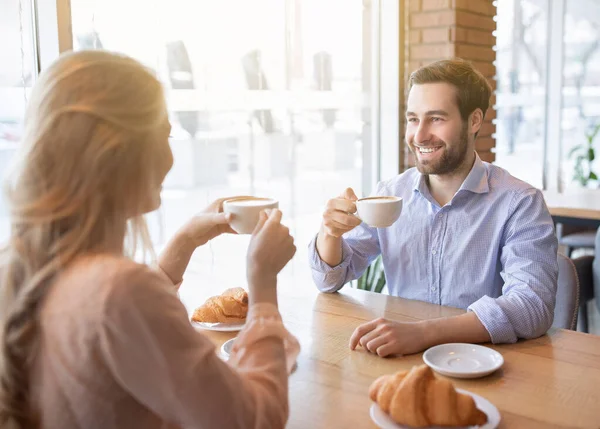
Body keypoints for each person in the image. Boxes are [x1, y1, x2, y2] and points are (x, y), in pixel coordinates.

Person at [0, 50, 299, 429]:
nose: (171, 157)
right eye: (164, 134)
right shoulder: (120, 291)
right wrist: (263, 289)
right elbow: (254, 420)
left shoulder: (22, 266)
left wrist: (184, 243)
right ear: (116, 152)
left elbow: (115, 328)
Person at [308, 58, 558, 358]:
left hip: (482, 363)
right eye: (413, 119)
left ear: (474, 121)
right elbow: (329, 279)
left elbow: (532, 305)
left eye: (436, 119)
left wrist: (425, 333)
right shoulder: (390, 194)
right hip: (400, 357)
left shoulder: (520, 202)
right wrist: (330, 233)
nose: (419, 135)